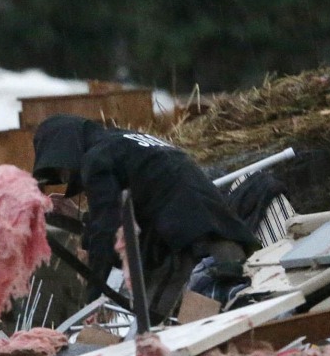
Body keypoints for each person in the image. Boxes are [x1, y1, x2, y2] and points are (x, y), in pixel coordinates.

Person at [32, 114, 259, 319]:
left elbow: (108, 232)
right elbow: (137, 212)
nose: (66, 176)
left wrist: (93, 297)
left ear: (63, 148)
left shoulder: (96, 158)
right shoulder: (129, 143)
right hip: (227, 241)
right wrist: (81, 219)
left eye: (63, 171)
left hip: (189, 252)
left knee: (151, 331)